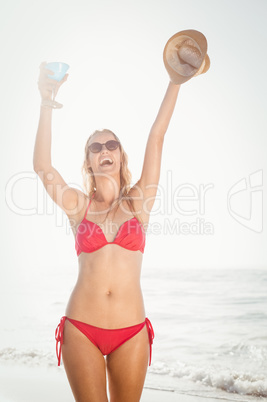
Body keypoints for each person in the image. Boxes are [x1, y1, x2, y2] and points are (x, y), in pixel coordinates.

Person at [33, 60, 181, 401]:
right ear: (88, 161)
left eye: (111, 145)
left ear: (121, 155)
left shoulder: (139, 203)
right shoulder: (78, 206)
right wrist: (46, 101)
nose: (104, 151)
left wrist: (176, 81)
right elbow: (42, 166)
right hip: (81, 327)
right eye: (96, 147)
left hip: (131, 331)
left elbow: (157, 136)